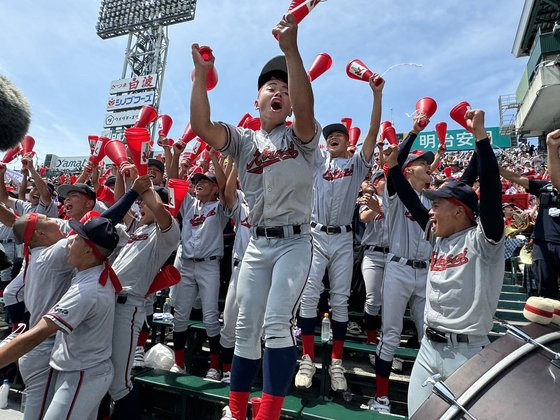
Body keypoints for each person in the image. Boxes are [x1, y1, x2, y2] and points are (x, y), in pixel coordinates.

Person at [190, 13, 319, 420]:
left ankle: (268, 415)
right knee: (245, 329)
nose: (278, 92)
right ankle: (237, 409)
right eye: (270, 87)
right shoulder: (245, 140)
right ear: (257, 100)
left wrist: (291, 50)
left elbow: (305, 104)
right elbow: (201, 126)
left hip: (295, 243)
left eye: (284, 87)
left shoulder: (302, 133)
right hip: (259, 244)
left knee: (277, 323)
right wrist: (200, 76)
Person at [390, 109, 505, 416]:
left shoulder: (485, 241)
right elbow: (404, 192)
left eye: (437, 204)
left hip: (467, 353)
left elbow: (491, 188)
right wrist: (393, 163)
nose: (429, 209)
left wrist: (480, 137)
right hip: (428, 348)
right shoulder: (437, 236)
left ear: (458, 211)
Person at [295, 75, 383, 392]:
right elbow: (304, 126)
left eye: (339, 135)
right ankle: (307, 358)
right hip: (316, 236)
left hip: (345, 238)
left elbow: (372, 132)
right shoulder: (317, 162)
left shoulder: (358, 164)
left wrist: (376, 96)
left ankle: (335, 363)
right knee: (307, 297)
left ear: (349, 142)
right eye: (329, 135)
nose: (333, 137)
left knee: (341, 302)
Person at [0, 217, 121, 419]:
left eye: (76, 239)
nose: (69, 241)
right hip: (83, 369)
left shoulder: (87, 290)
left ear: (88, 251)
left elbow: (35, 336)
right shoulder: (89, 272)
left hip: (84, 373)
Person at [369, 116, 432, 414]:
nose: (429, 165)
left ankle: (429, 400)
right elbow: (394, 163)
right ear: (408, 171)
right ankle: (381, 397)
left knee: (428, 335)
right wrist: (415, 133)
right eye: (423, 162)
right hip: (398, 269)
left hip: (426, 271)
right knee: (391, 334)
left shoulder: (435, 201)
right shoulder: (395, 195)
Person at [108, 171, 180, 419]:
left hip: (129, 307)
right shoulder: (137, 229)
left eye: (145, 202)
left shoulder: (166, 233)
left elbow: (161, 212)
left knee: (119, 382)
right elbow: (120, 204)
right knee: (100, 373)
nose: (140, 205)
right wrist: (123, 177)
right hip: (108, 302)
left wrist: (145, 188)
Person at [171, 172, 229, 379]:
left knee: (211, 317)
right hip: (186, 265)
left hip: (209, 266)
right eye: (197, 181)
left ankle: (215, 367)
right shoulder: (189, 204)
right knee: (180, 316)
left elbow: (224, 187)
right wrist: (175, 153)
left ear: (215, 188)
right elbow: (173, 180)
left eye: (205, 181)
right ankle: (179, 364)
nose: (199, 184)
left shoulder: (220, 207)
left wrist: (214, 158)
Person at [358, 171, 388, 356]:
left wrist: (382, 208)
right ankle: (370, 338)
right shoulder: (369, 198)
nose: (386, 181)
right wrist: (378, 207)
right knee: (373, 298)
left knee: (391, 301)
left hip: (394, 254)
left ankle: (387, 341)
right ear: (376, 183)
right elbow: (364, 218)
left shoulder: (397, 198)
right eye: (382, 178)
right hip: (373, 254)